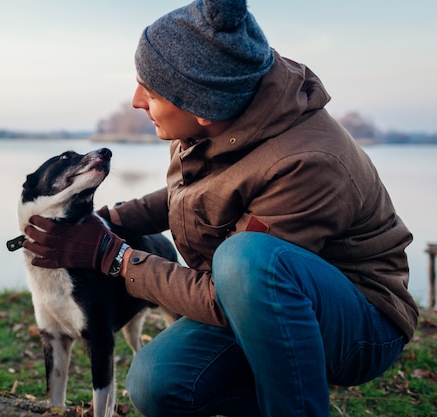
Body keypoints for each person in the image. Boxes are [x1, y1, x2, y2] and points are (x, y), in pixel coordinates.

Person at [22, 0, 418, 415]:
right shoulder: (217, 116)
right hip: (260, 303)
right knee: (156, 382)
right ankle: (274, 388)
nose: (137, 101)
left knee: (246, 256)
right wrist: (108, 220)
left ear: (201, 108)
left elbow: (240, 283)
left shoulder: (308, 163)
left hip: (360, 324)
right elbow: (196, 197)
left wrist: (112, 255)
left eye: (151, 92)